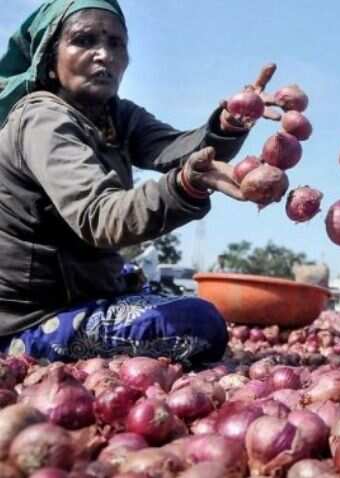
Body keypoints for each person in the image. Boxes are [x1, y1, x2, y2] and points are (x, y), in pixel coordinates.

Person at [0, 0, 272, 366]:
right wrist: (184, 187)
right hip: (32, 315)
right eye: (84, 41)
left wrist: (231, 121)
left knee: (143, 283)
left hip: (81, 290)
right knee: (198, 323)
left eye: (116, 44)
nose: (105, 55)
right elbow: (101, 216)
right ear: (50, 57)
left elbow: (178, 149)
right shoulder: (43, 120)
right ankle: (21, 347)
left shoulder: (116, 115)